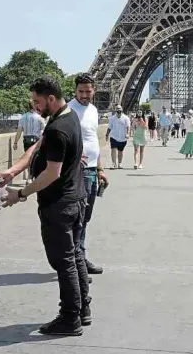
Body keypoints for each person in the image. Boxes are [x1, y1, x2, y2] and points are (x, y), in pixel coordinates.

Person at [0, 76, 91, 336]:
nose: (35, 107)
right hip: (76, 198)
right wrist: (13, 171)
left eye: (37, 101)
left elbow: (51, 173)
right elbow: (38, 148)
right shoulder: (67, 117)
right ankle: (83, 310)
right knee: (75, 256)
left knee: (64, 262)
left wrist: (21, 194)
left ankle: (70, 317)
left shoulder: (58, 128)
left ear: (50, 98)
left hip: (59, 204)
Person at [68, 73, 108, 276]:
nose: (84, 95)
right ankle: (76, 263)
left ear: (94, 90)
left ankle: (80, 257)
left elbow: (94, 142)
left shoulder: (93, 110)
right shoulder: (68, 110)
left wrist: (100, 168)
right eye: (81, 91)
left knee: (85, 218)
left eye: (88, 91)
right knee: (77, 217)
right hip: (77, 172)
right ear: (75, 91)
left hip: (92, 171)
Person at [13, 101, 45, 181]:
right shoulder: (40, 117)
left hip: (26, 140)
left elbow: (19, 131)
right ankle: (31, 177)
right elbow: (43, 131)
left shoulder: (23, 117)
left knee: (28, 159)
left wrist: (15, 142)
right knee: (35, 159)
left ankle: (29, 177)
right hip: (36, 140)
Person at [105, 105, 131, 169]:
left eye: (119, 108)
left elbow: (128, 127)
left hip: (122, 138)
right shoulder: (112, 118)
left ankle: (119, 163)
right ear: (115, 110)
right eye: (117, 109)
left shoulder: (126, 118)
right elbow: (109, 127)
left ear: (122, 109)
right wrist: (107, 135)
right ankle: (113, 164)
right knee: (113, 149)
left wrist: (127, 133)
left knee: (120, 151)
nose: (118, 110)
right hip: (114, 136)